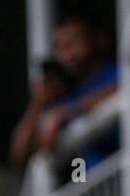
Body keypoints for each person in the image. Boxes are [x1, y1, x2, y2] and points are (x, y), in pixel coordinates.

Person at [12, 14, 119, 163]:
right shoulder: (70, 98)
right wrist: (37, 104)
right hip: (85, 179)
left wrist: (70, 112)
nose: (67, 53)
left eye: (73, 42)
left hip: (122, 174)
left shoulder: (117, 73)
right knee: (78, 172)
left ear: (98, 39)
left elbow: (122, 88)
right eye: (60, 47)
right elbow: (19, 154)